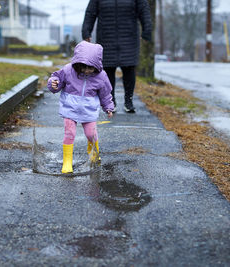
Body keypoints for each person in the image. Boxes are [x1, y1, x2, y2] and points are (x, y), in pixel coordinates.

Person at [47, 41, 114, 174]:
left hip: (88, 111)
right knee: (70, 133)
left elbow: (105, 93)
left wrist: (108, 107)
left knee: (91, 134)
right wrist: (53, 84)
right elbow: (56, 79)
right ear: (77, 63)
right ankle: (67, 161)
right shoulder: (68, 70)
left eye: (90, 67)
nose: (86, 71)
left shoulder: (101, 76)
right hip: (69, 108)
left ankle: (93, 151)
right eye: (83, 67)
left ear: (97, 64)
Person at [82, 0, 153, 113]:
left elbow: (144, 11)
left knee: (129, 68)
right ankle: (111, 101)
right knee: (108, 69)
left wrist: (147, 31)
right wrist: (86, 31)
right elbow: (90, 13)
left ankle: (128, 101)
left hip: (129, 37)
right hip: (106, 37)